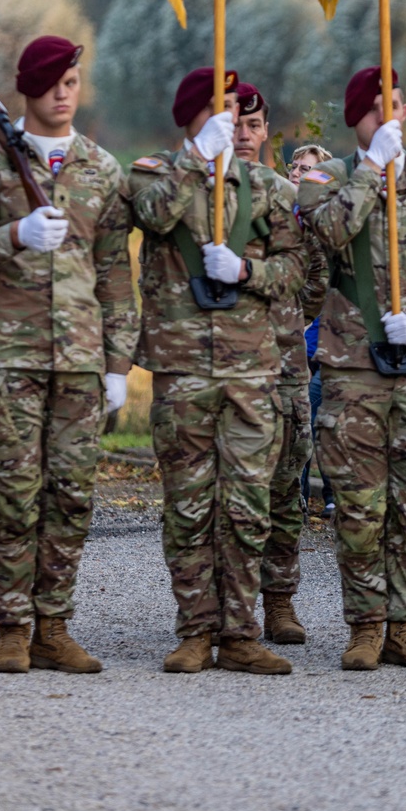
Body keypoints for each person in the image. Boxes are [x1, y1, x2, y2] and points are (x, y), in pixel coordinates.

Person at [0, 35, 138, 674]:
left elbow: (114, 274)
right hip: (7, 358)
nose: (64, 91)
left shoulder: (102, 169)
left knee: (72, 494)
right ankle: (11, 627)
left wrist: (117, 366)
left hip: (80, 361)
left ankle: (53, 625)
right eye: (53, 81)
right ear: (28, 88)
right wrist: (14, 235)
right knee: (15, 493)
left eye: (73, 80)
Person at [127, 68, 308, 676]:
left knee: (248, 505)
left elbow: (293, 271)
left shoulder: (267, 190)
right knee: (188, 505)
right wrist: (194, 160)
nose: (233, 119)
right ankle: (195, 630)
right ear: (192, 116)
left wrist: (246, 273)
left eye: (237, 109)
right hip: (182, 367)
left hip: (251, 368)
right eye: (220, 108)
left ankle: (241, 632)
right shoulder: (156, 175)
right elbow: (152, 217)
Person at [298, 67, 406, 672]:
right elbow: (324, 234)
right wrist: (372, 169)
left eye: (396, 104)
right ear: (357, 119)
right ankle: (365, 626)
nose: (389, 117)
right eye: (376, 109)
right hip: (351, 370)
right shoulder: (327, 179)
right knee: (357, 507)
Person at [233, 87, 328, 647]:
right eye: (234, 123)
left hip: (283, 362)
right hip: (223, 363)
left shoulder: (290, 197)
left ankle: (280, 602)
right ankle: (228, 606)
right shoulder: (204, 192)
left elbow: (314, 274)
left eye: (253, 124)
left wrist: (286, 320)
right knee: (225, 490)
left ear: (267, 130)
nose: (244, 134)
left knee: (284, 486)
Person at [290, 145, 336, 518]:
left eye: (308, 168)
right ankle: (297, 497)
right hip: (285, 337)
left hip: (317, 340)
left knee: (308, 419)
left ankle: (316, 496)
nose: (298, 172)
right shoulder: (275, 209)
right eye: (295, 166)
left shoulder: (322, 222)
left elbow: (322, 286)